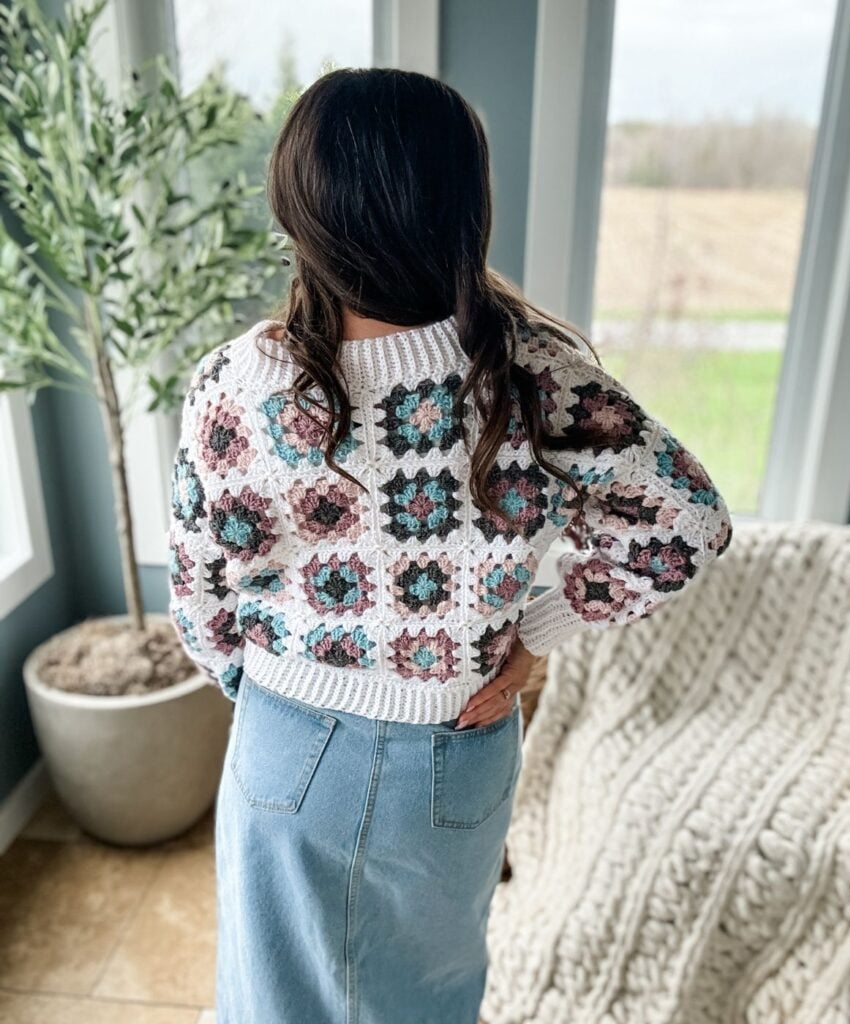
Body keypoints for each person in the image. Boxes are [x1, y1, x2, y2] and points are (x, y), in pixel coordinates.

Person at [166, 66, 734, 1024]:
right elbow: (685, 521)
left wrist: (270, 687)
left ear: (299, 210)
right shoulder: (531, 370)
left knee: (273, 999)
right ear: (464, 206)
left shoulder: (237, 388)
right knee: (429, 994)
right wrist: (537, 635)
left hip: (287, 740)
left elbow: (199, 600)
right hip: (459, 746)